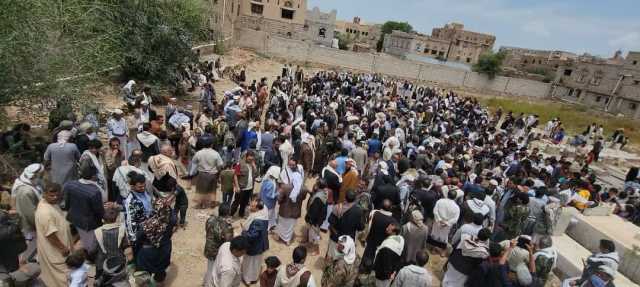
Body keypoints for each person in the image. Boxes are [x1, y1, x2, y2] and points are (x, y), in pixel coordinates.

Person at [36, 182, 74, 287]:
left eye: (57, 195)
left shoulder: (50, 204)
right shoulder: (45, 212)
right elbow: (50, 235)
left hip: (59, 248)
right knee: (64, 278)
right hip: (57, 252)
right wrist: (63, 248)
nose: (55, 197)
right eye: (51, 195)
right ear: (44, 194)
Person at [135, 192, 177, 285]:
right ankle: (159, 282)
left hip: (149, 252)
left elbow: (139, 238)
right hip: (165, 249)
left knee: (145, 273)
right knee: (161, 269)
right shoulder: (171, 219)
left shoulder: (147, 225)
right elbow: (172, 215)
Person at [63, 165, 105, 254]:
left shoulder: (70, 184)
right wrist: (104, 217)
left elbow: (66, 202)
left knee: (84, 239)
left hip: (74, 217)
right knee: (91, 244)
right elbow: (98, 211)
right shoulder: (94, 192)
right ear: (93, 176)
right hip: (88, 223)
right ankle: (91, 257)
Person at [11, 163, 44, 262]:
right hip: (29, 225)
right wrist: (41, 225)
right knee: (30, 243)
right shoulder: (26, 191)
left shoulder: (28, 183)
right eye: (41, 175)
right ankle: (24, 261)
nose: (42, 177)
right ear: (34, 176)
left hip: (30, 223)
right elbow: (30, 214)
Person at [93, 205, 128, 284]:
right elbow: (125, 245)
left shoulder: (97, 231)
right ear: (116, 219)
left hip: (102, 263)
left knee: (102, 282)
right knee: (118, 281)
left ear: (102, 220)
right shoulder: (122, 229)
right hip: (118, 262)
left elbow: (93, 249)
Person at [203, 204, 234, 287]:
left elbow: (207, 229)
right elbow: (229, 241)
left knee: (210, 268)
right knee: (215, 271)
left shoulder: (210, 219)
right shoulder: (227, 226)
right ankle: (209, 284)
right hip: (217, 252)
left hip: (208, 248)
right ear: (228, 213)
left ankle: (206, 283)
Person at [241, 196, 270, 285]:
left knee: (250, 263)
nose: (250, 207)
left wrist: (244, 231)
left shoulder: (257, 220)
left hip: (254, 246)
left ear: (258, 208)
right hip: (260, 244)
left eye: (252, 206)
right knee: (256, 262)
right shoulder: (263, 212)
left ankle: (248, 279)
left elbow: (252, 236)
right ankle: (254, 276)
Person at [328, 190, 364, 260]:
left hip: (336, 237)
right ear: (355, 199)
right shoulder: (359, 211)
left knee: (331, 255)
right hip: (348, 240)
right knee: (342, 257)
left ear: (345, 197)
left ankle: (327, 269)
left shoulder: (337, 207)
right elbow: (360, 227)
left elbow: (330, 221)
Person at [190, 137, 224, 209]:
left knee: (202, 190)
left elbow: (194, 162)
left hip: (202, 174)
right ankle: (212, 204)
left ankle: (202, 204)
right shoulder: (216, 153)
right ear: (211, 145)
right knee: (212, 190)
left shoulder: (198, 153)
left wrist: (192, 173)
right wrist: (219, 173)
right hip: (212, 174)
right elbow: (220, 165)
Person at [363, 199, 397, 263]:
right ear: (390, 208)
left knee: (367, 257)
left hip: (371, 240)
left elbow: (368, 225)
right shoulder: (392, 221)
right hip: (381, 244)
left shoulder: (374, 213)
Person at [429, 189, 460, 255]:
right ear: (455, 197)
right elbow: (455, 219)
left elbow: (435, 211)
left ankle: (434, 250)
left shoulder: (440, 201)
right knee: (444, 238)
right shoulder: (456, 207)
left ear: (447, 195)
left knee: (435, 235)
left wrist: (439, 220)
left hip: (437, 222)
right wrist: (447, 223)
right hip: (446, 225)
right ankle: (442, 252)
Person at [231, 151, 258, 218]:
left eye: (252, 159)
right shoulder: (239, 164)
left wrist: (254, 166)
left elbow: (256, 174)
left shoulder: (252, 164)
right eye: (249, 159)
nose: (250, 160)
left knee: (244, 203)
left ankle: (241, 214)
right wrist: (237, 186)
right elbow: (235, 175)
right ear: (246, 157)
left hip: (249, 188)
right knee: (236, 202)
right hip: (241, 187)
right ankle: (231, 214)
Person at [260, 165, 281, 230]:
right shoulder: (271, 183)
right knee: (268, 216)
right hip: (269, 203)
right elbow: (270, 195)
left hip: (264, 201)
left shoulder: (266, 179)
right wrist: (278, 193)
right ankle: (267, 228)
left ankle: (272, 224)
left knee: (270, 215)